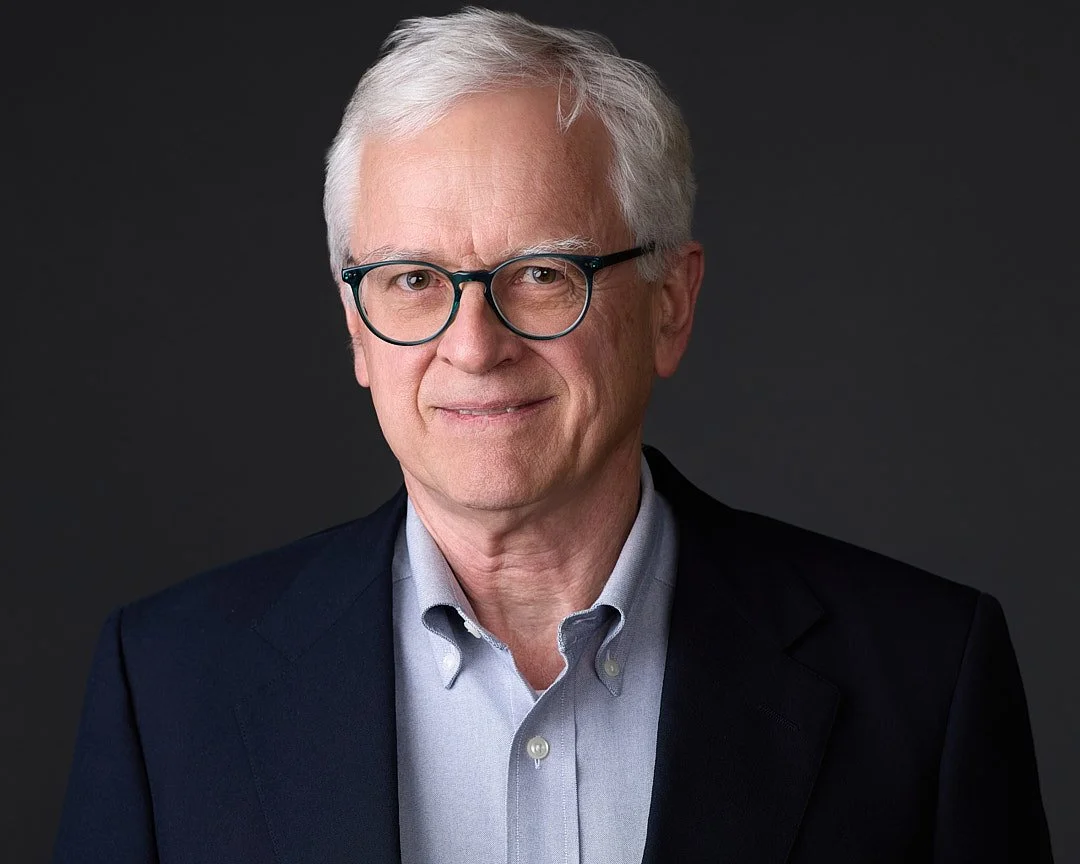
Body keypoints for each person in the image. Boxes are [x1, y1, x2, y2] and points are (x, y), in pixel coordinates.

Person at [53, 8, 1053, 863]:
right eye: (413, 280)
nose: (473, 345)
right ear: (356, 327)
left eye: (541, 273)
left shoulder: (924, 681)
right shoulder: (169, 688)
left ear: (670, 304)